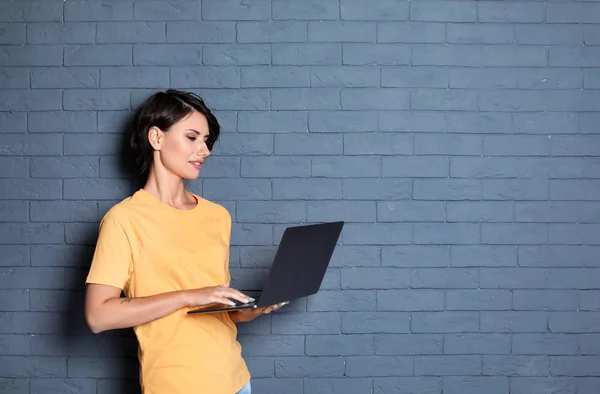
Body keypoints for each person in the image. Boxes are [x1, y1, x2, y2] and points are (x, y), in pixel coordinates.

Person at [84, 89, 286, 394]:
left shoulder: (217, 216)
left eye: (206, 141)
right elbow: (98, 316)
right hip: (175, 384)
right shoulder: (124, 219)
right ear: (156, 138)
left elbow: (214, 307)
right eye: (192, 137)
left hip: (235, 380)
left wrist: (248, 311)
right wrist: (188, 295)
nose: (204, 150)